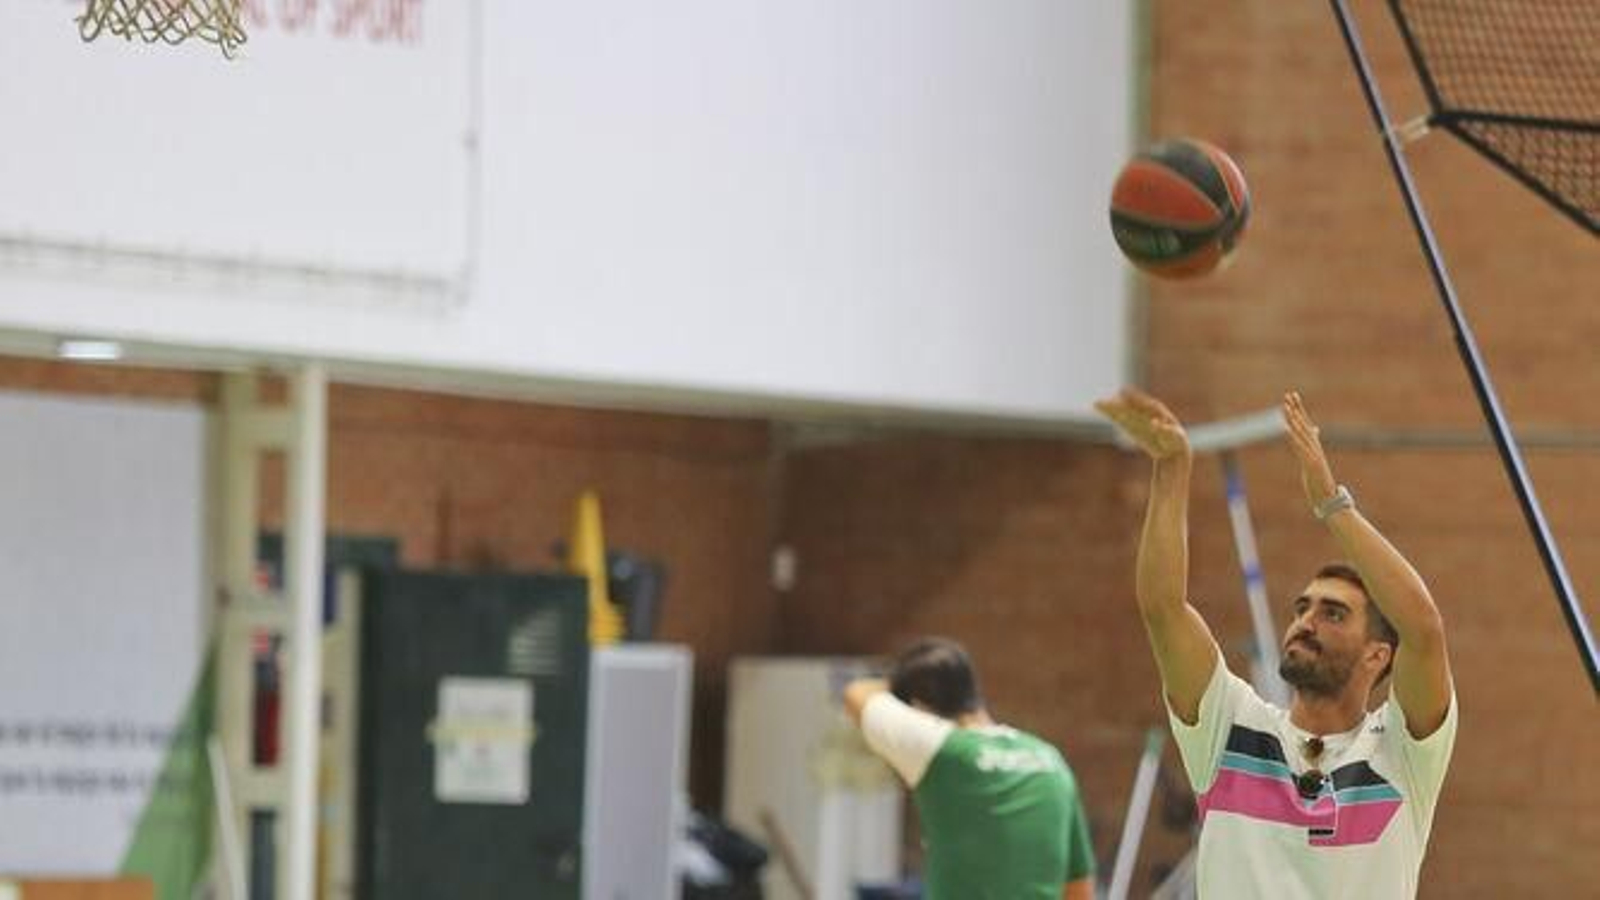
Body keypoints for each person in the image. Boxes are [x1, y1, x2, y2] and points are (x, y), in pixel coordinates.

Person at [1095, 387, 1457, 898]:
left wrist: (1333, 505)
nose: (1306, 622)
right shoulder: (1231, 726)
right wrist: (1172, 468)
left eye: (1333, 614)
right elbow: (1162, 607)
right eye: (1302, 608)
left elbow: (1424, 629)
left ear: (1378, 655)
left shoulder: (1401, 752)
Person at [844, 637, 1096, 900]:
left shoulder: (941, 749)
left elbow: (855, 693)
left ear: (918, 710)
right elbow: (1079, 890)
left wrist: (893, 686)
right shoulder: (1050, 760)